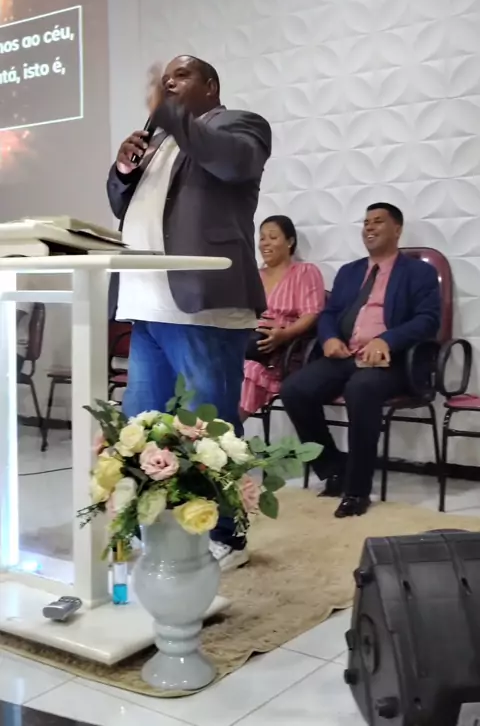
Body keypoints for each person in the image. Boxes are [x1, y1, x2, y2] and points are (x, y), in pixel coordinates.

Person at [107, 55, 272, 570]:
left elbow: (232, 163)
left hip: (203, 304)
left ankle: (228, 536)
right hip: (146, 302)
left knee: (212, 428)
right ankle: (149, 524)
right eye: (165, 79)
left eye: (181, 76)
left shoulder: (239, 125)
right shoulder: (159, 140)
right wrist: (124, 169)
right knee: (143, 426)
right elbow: (121, 205)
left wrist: (173, 116)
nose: (170, 83)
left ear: (211, 85)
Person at [280, 203, 441, 518]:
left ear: (397, 229)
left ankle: (356, 490)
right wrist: (329, 338)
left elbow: (428, 320)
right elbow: (329, 314)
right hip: (347, 355)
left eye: (378, 221)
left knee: (361, 388)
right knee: (294, 390)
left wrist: (387, 340)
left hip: (393, 361)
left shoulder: (419, 272)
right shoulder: (350, 272)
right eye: (366, 222)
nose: (369, 227)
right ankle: (333, 469)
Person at [240, 215, 325, 417]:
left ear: (290, 241)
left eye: (272, 237)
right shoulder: (254, 276)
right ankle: (212, 429)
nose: (265, 243)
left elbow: (311, 313)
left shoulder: (305, 272)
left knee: (248, 370)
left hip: (284, 352)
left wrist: (284, 334)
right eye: (262, 238)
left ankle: (227, 430)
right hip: (248, 345)